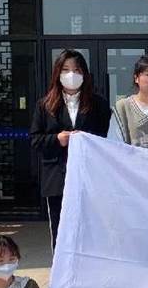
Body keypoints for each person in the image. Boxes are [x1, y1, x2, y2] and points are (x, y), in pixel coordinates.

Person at [30, 49, 110, 251]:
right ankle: (60, 267)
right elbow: (35, 140)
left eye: (77, 70)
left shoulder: (98, 103)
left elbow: (107, 138)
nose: (71, 75)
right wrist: (57, 139)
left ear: (84, 74)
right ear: (57, 73)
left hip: (89, 176)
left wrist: (86, 139)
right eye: (65, 70)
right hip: (57, 176)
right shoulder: (45, 104)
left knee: (90, 228)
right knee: (60, 228)